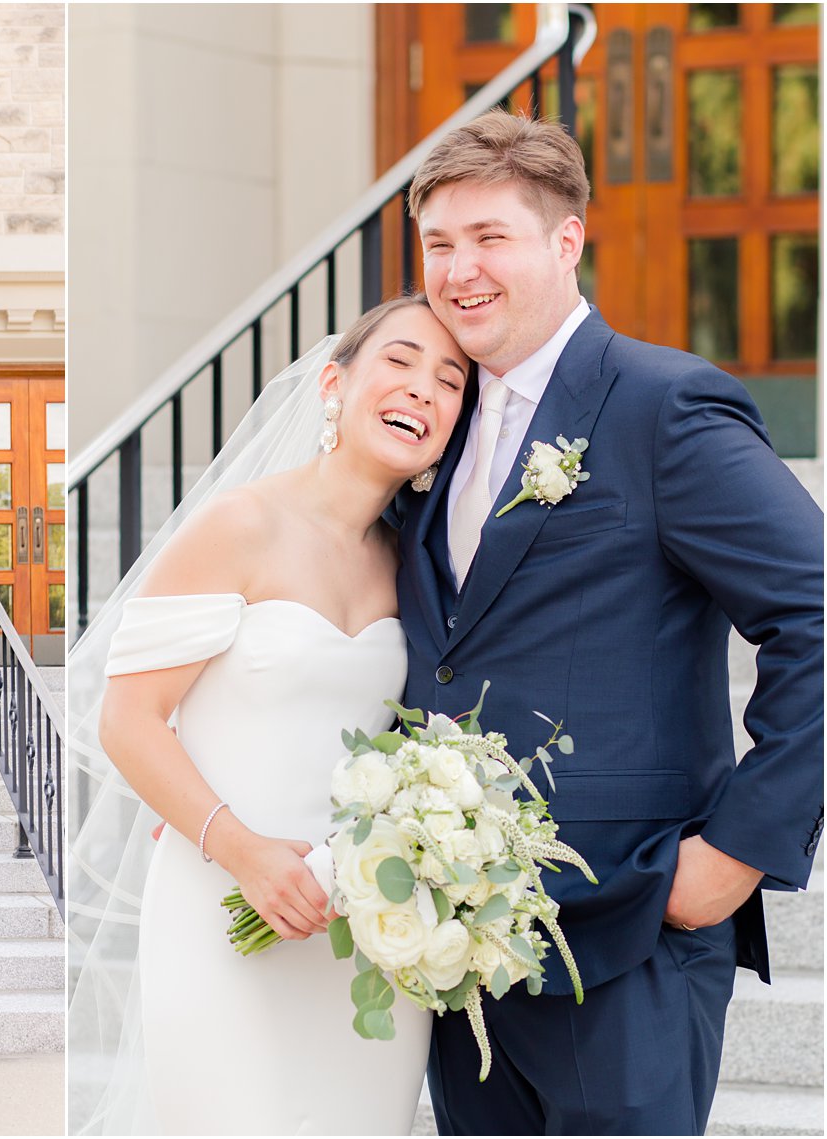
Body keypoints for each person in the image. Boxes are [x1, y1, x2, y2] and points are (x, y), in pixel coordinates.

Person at [398, 109, 823, 1135]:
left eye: (488, 238)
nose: (458, 271)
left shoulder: (660, 405)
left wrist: (734, 848)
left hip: (627, 931)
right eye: (437, 245)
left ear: (565, 239)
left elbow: (813, 611)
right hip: (459, 946)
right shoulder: (429, 423)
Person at [68, 295, 469, 1134]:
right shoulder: (240, 523)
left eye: (451, 379)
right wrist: (244, 852)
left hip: (365, 926)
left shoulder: (417, 565)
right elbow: (128, 718)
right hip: (224, 902)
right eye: (398, 361)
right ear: (334, 382)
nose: (423, 389)